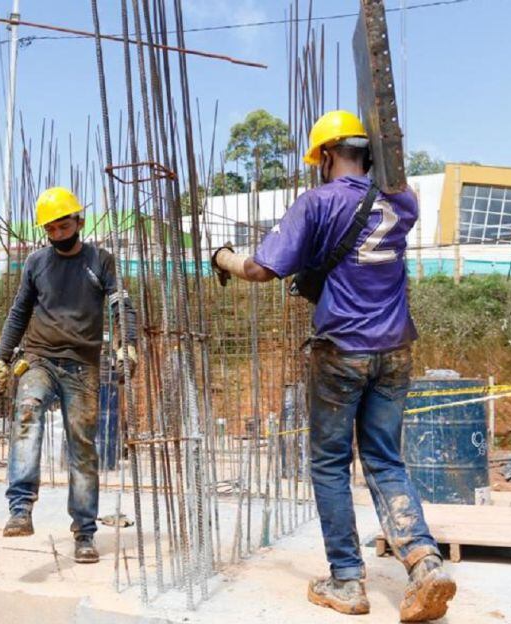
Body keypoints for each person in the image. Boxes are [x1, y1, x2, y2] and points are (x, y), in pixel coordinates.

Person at [211, 110, 456, 622]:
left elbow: (261, 268)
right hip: (395, 350)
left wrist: (225, 259)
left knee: (328, 463)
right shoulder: (402, 200)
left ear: (324, 156)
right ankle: (425, 562)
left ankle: (347, 580)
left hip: (342, 349)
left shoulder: (318, 202)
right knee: (386, 461)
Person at [0, 186, 137, 564]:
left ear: (78, 222)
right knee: (27, 412)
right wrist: (1, 358)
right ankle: (20, 509)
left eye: (63, 225)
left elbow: (121, 303)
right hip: (39, 358)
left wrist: (126, 343)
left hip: (82, 366)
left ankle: (85, 533)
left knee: (82, 447)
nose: (57, 233)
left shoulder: (100, 261)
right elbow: (18, 312)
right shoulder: (36, 263)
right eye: (50, 229)